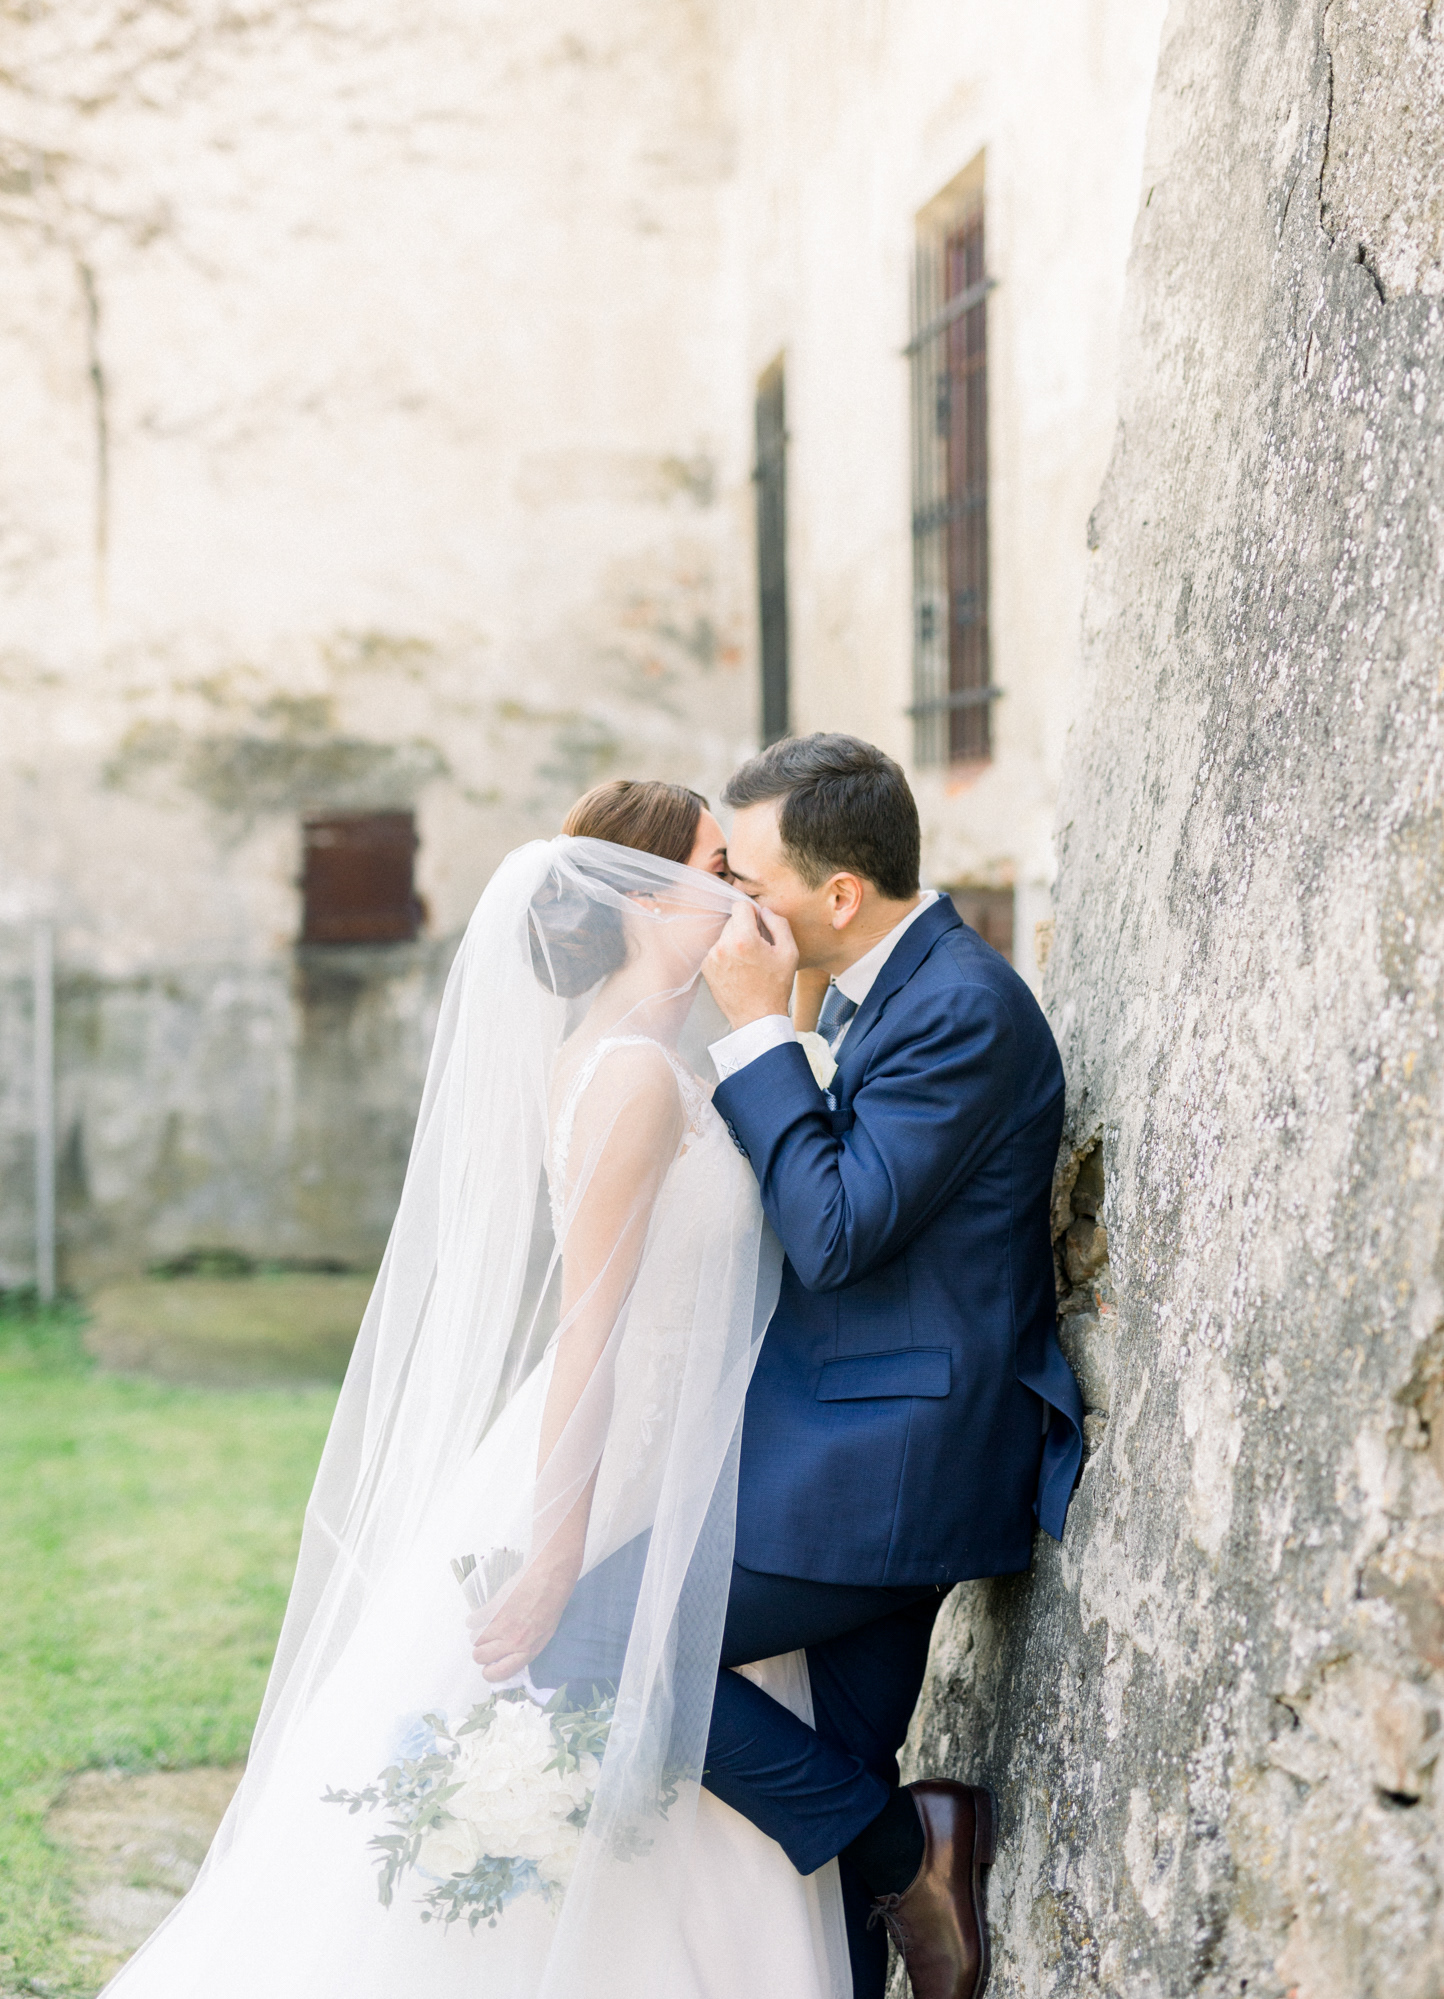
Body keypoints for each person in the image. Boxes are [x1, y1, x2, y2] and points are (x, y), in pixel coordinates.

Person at [101, 780, 852, 1999]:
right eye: (720, 867)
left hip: (693, 1457)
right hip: (619, 1467)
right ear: (647, 897)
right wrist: (555, 1557)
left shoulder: (656, 1059)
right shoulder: (632, 1079)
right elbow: (592, 1332)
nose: (745, 891)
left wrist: (786, 1009)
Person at [695, 734, 1084, 1999]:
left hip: (894, 1465)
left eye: (749, 882)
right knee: (845, 1772)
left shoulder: (959, 1006)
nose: (732, 908)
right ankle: (894, 1864)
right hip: (861, 1441)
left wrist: (759, 1032)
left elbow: (834, 1231)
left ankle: (905, 1851)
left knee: (610, 1643)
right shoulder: (889, 988)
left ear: (840, 892)